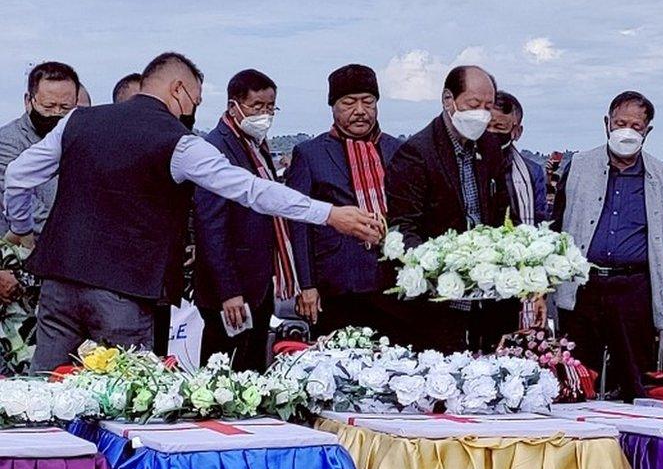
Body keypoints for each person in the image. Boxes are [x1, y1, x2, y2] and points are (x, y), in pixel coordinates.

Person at [4, 52, 383, 372]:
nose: (193, 110)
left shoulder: (77, 121)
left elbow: (19, 175)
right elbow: (250, 190)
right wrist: (330, 214)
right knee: (121, 404)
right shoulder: (180, 143)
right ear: (177, 90)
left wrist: (23, 227)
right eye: (195, 101)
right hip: (126, 295)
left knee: (45, 399)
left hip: (58, 286)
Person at [554, 90, 663, 401]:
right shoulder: (578, 167)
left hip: (634, 288)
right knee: (576, 377)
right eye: (620, 123)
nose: (626, 131)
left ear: (647, 131)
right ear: (606, 124)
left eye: (635, 126)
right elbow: (556, 225)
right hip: (584, 285)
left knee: (637, 379)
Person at [385, 65, 510, 352]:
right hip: (435, 300)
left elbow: (501, 212)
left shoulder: (489, 146)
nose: (481, 113)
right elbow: (403, 227)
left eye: (488, 106)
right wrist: (441, 268)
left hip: (486, 296)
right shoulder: (417, 152)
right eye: (473, 105)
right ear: (448, 100)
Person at [287, 64, 406, 341]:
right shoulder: (309, 153)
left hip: (392, 283)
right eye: (349, 103)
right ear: (333, 107)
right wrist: (306, 285)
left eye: (368, 102)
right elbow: (299, 224)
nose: (360, 111)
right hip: (337, 285)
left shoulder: (398, 150)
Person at [193, 69, 290, 372]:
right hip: (231, 290)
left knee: (252, 369)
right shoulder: (215, 148)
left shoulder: (255, 145)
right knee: (223, 374)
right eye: (257, 106)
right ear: (234, 105)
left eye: (270, 107)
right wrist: (229, 291)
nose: (264, 114)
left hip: (259, 285)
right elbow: (212, 228)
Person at [0, 61, 79, 236]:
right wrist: (67, 235)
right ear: (29, 101)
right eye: (49, 106)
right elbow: (15, 193)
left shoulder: (79, 137)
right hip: (25, 246)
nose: (56, 113)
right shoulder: (7, 141)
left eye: (65, 107)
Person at [488, 91, 547, 225]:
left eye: (499, 127)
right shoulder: (461, 166)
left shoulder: (532, 173)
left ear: (517, 132)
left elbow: (539, 224)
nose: (491, 132)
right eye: (485, 126)